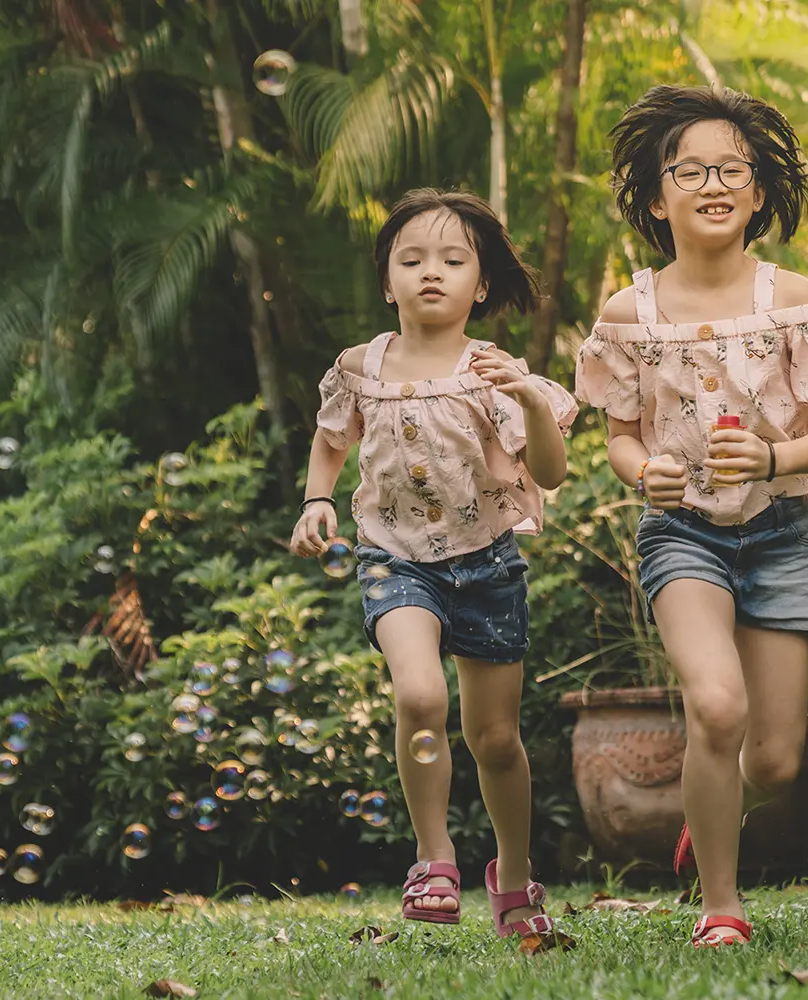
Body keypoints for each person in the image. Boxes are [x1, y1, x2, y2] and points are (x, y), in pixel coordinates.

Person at [575, 85, 808, 948]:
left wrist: (778, 457)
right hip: (684, 538)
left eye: (732, 169)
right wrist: (649, 476)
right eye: (691, 169)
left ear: (756, 193)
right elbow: (622, 440)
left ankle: (706, 816)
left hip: (780, 536)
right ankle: (721, 907)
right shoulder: (629, 314)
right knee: (715, 707)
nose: (713, 182)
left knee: (776, 762)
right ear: (657, 193)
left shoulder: (791, 299)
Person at [290, 189, 578, 940]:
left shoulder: (493, 370)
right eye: (410, 258)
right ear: (387, 280)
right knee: (419, 697)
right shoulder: (359, 367)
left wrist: (536, 405)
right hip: (395, 560)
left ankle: (513, 877)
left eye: (453, 260)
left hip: (487, 565)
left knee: (495, 740)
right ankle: (434, 857)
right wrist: (318, 501)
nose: (431, 272)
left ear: (480, 285)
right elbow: (330, 438)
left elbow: (549, 474)